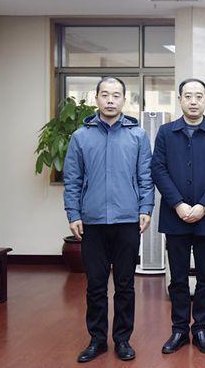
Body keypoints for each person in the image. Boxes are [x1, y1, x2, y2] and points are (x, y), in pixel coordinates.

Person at [63, 76, 154, 363]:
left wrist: (146, 208)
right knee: (96, 286)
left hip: (127, 220)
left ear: (124, 99)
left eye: (116, 95)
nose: (110, 100)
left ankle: (123, 340)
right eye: (105, 95)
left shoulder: (137, 136)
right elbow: (72, 179)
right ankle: (97, 340)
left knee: (125, 285)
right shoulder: (81, 136)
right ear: (97, 99)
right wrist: (73, 213)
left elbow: (145, 176)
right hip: (93, 222)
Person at [151, 78, 205, 355]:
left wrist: (203, 206)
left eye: (199, 96)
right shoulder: (166, 133)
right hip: (175, 217)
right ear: (180, 100)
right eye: (188, 96)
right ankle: (178, 329)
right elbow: (158, 169)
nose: (193, 101)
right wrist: (177, 204)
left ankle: (200, 329)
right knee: (178, 278)